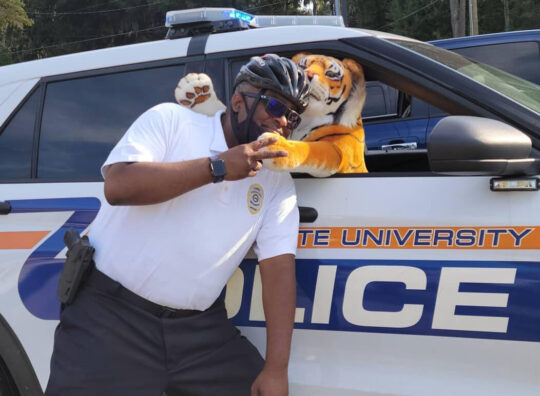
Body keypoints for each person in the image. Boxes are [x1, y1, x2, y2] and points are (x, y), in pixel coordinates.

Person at [45, 54, 310, 396]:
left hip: (199, 333)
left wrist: (276, 369)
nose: (282, 122)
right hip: (110, 318)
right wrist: (217, 168)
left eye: (292, 116)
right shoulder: (172, 121)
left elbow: (279, 270)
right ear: (237, 101)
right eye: (274, 105)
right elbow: (118, 185)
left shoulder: (277, 182)